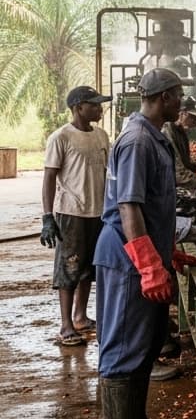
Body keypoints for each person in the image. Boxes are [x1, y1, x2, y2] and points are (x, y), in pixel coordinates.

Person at [93, 68, 196, 419]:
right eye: (178, 95)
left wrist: (168, 252)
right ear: (163, 97)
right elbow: (129, 207)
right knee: (123, 342)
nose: (182, 102)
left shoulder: (153, 135)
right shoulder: (138, 140)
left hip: (146, 251)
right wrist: (148, 265)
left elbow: (155, 205)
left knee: (144, 342)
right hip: (126, 258)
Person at [41, 85, 112, 347]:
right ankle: (66, 325)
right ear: (78, 107)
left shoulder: (102, 136)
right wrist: (48, 216)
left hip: (98, 212)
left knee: (88, 269)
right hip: (72, 213)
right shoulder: (61, 137)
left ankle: (81, 316)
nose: (99, 108)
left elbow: (108, 174)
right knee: (69, 268)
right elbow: (49, 177)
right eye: (94, 104)